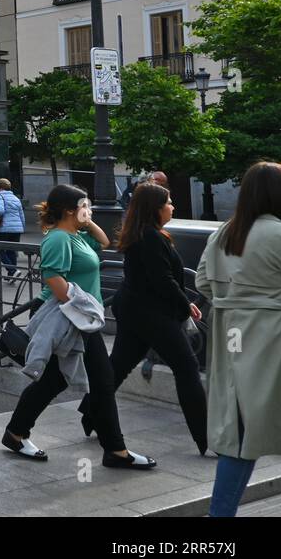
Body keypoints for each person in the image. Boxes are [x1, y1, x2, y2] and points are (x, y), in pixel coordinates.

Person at [2, 184, 157, 469]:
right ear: (70, 211)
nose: (90, 209)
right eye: (85, 205)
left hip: (80, 317)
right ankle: (115, 450)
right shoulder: (59, 239)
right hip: (71, 317)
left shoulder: (77, 235)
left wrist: (87, 220)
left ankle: (17, 432)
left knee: (66, 381)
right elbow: (55, 281)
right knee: (99, 381)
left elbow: (105, 242)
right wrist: (83, 310)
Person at [78, 182, 207, 454]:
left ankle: (90, 413)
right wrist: (186, 305)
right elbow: (164, 280)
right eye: (169, 202)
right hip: (150, 314)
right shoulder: (150, 237)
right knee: (187, 368)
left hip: (136, 310)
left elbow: (161, 278)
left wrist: (182, 303)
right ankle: (206, 437)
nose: (173, 206)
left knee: (119, 365)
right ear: (155, 209)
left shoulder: (146, 233)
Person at [195, 161, 281, 516]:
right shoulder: (280, 234)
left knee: (238, 441)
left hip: (231, 346)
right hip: (275, 344)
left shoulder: (223, 234)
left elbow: (203, 282)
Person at [0, 178, 25, 276]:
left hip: (4, 228)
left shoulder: (0, 196)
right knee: (11, 250)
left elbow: (0, 210)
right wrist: (22, 227)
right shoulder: (16, 198)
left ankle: (12, 270)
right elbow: (21, 215)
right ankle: (12, 275)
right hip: (17, 229)